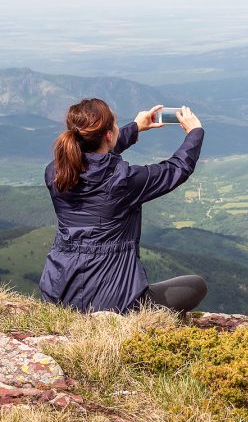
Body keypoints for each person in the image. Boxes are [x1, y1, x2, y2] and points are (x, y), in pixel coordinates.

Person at [39, 98, 208, 314]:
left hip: (58, 295)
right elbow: (177, 168)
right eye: (115, 124)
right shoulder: (123, 181)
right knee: (196, 285)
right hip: (114, 303)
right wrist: (195, 132)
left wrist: (136, 128)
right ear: (109, 134)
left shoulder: (56, 171)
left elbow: (94, 156)